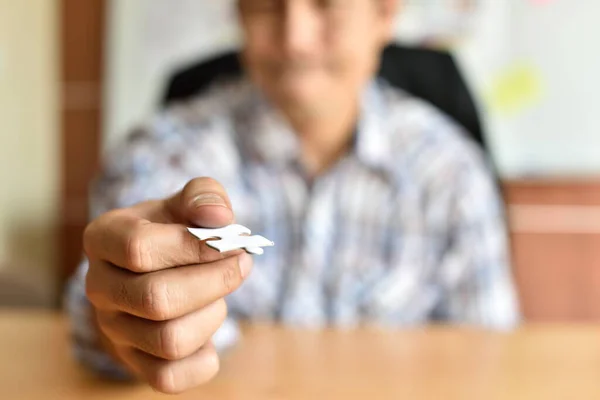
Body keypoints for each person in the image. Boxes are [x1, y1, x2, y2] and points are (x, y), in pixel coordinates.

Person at [67, 0, 520, 394]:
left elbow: (490, 361)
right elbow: (101, 317)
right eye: (266, 5)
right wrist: (125, 318)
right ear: (239, 14)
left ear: (384, 14)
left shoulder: (451, 173)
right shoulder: (165, 154)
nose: (295, 39)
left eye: (327, 4)